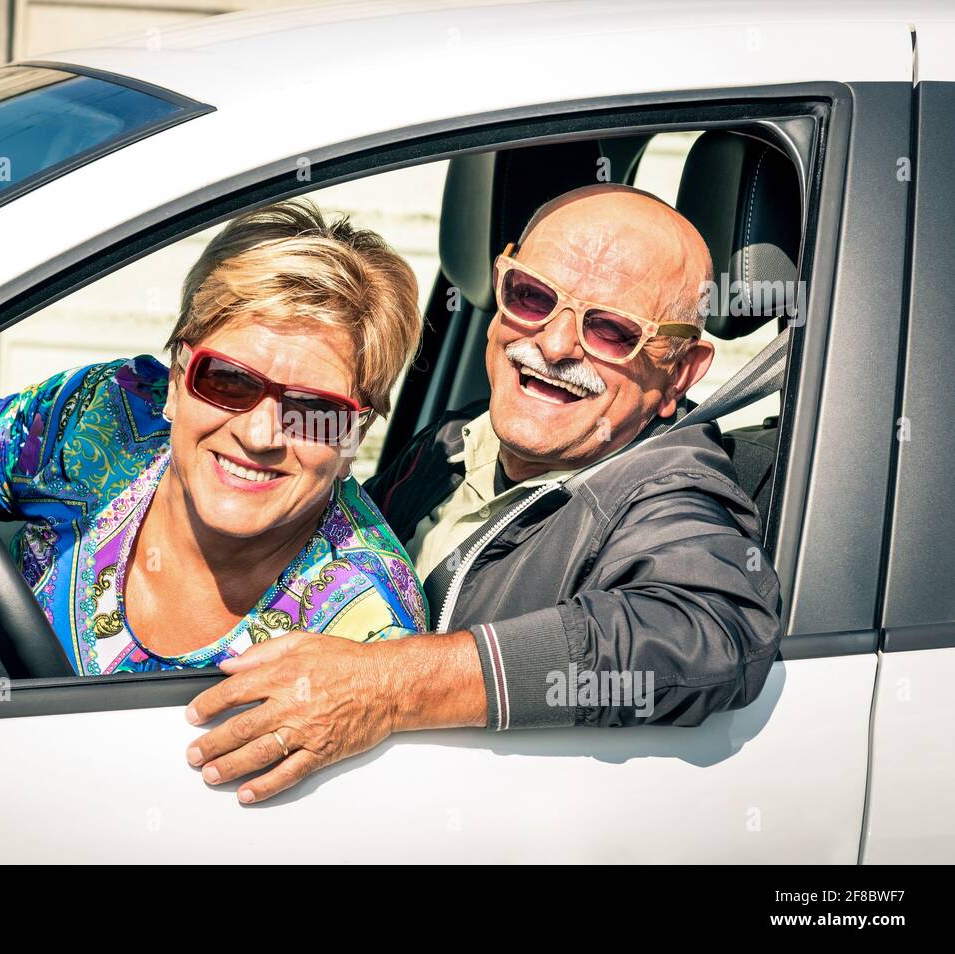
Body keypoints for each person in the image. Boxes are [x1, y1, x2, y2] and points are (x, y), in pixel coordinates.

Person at [185, 184, 782, 803]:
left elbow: (707, 631)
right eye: (532, 296)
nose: (552, 345)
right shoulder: (449, 443)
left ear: (679, 372)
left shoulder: (668, 490)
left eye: (611, 331)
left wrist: (388, 686)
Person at [0, 200, 428, 674]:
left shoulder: (366, 631)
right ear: (173, 382)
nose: (259, 433)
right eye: (226, 380)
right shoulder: (105, 415)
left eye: (313, 410)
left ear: (356, 435)